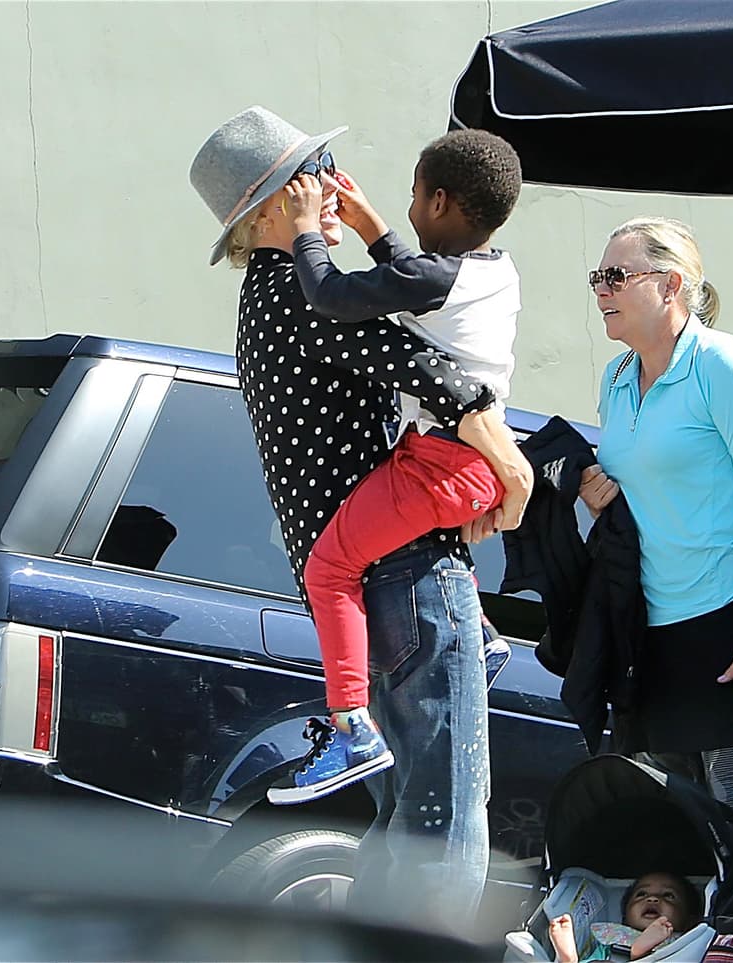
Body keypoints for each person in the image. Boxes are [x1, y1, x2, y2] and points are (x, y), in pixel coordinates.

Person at [188, 105, 532, 931]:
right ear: (270, 210)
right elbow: (441, 376)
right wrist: (511, 466)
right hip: (409, 573)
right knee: (442, 815)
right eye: (314, 176)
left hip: (363, 578)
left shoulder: (262, 299)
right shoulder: (310, 299)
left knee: (401, 810)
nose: (333, 187)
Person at [266, 128, 522, 803]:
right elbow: (414, 271)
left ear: (438, 200)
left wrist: (304, 233)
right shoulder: (490, 271)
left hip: (441, 462)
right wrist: (374, 223)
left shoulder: (429, 278)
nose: (404, 207)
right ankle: (485, 639)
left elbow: (329, 294)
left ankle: (351, 726)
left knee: (330, 565)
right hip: (461, 464)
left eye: (412, 196)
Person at [577, 217, 733, 921]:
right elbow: (637, 485)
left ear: (672, 284)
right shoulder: (617, 378)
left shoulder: (723, 365)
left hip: (729, 619)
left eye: (617, 276)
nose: (602, 291)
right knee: (682, 814)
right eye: (598, 277)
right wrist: (596, 491)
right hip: (652, 626)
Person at [548, 871, 701, 962]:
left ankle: (640, 954)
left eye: (668, 895)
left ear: (690, 919)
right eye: (641, 894)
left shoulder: (693, 940)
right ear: (625, 915)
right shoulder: (614, 939)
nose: (652, 899)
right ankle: (569, 960)